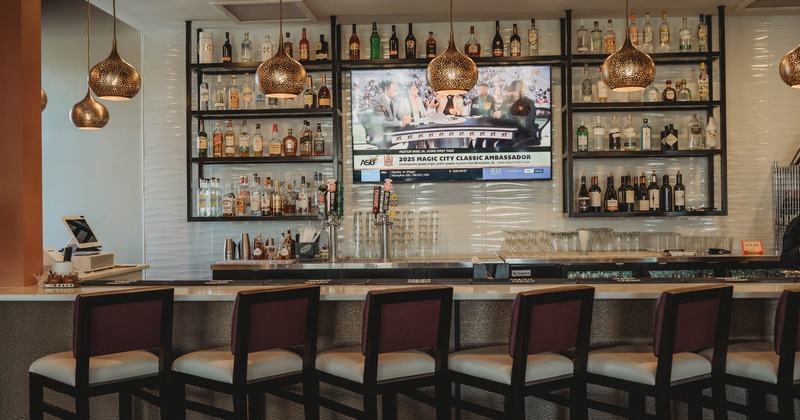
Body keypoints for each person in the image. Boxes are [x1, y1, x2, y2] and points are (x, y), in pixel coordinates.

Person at [367, 81, 412, 149]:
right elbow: (382, 122)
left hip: (390, 129)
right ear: (386, 91)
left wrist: (406, 119)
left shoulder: (395, 99)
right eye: (394, 90)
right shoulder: (376, 100)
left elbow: (400, 116)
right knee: (385, 152)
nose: (397, 92)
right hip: (379, 131)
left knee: (413, 136)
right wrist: (400, 123)